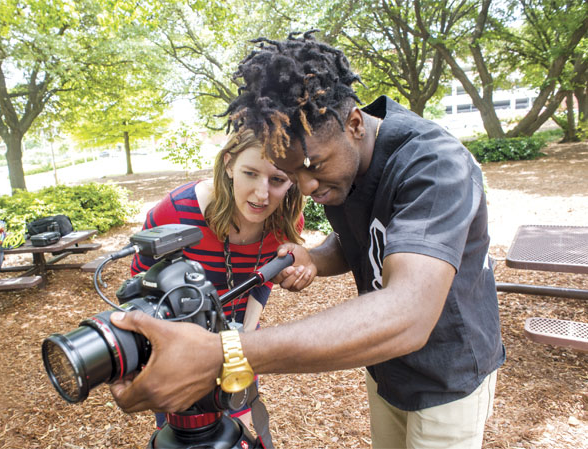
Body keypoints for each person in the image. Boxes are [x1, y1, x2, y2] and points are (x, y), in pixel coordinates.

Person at [109, 31, 505, 449]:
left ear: (354, 123)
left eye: (312, 167)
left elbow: (407, 314)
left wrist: (224, 352)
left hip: (448, 375)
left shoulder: (436, 167)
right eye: (291, 172)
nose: (306, 186)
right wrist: (316, 258)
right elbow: (365, 239)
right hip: (387, 366)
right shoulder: (338, 159)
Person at [130, 128, 304, 431]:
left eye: (277, 180)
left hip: (240, 340)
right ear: (228, 165)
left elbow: (262, 281)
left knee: (238, 429)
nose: (262, 195)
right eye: (250, 173)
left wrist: (243, 342)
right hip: (177, 348)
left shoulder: (286, 219)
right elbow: (140, 283)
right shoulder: (174, 211)